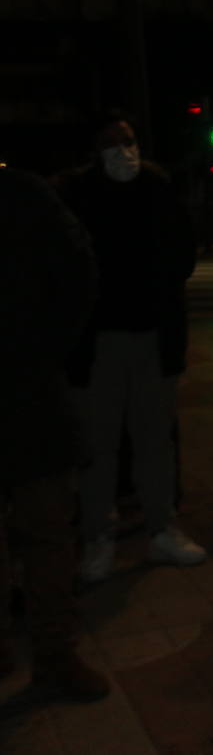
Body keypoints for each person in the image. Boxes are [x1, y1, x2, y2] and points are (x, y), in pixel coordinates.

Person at [61, 113, 207, 583]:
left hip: (151, 337)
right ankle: (98, 535)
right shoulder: (76, 194)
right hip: (99, 341)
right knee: (98, 445)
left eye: (128, 142)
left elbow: (182, 251)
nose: (123, 152)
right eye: (112, 144)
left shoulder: (156, 188)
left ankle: (162, 527)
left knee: (154, 441)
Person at [0, 164, 110, 702]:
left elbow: (78, 274)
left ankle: (54, 656)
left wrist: (41, 353)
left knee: (46, 532)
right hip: (31, 386)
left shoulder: (24, 196)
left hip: (28, 394)